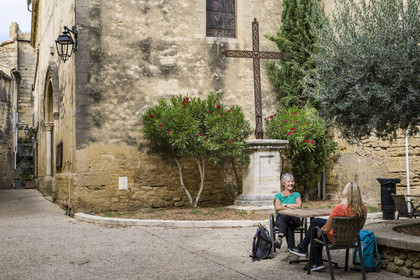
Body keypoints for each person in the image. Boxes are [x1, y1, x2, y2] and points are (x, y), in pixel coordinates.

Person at [288, 182, 367, 271]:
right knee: (315, 221)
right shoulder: (363, 208)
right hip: (351, 239)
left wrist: (320, 230)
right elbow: (360, 226)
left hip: (335, 239)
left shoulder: (340, 208)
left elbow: (325, 230)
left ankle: (312, 258)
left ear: (346, 193)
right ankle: (308, 254)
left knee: (316, 231)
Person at [273, 173, 302, 250]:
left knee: (287, 215)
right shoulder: (278, 195)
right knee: (288, 222)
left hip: (295, 218)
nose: (291, 183)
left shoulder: (296, 194)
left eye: (292, 181)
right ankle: (292, 249)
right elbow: (277, 207)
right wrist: (292, 206)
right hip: (281, 220)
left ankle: (280, 237)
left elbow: (299, 206)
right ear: (283, 184)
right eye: (288, 182)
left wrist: (285, 205)